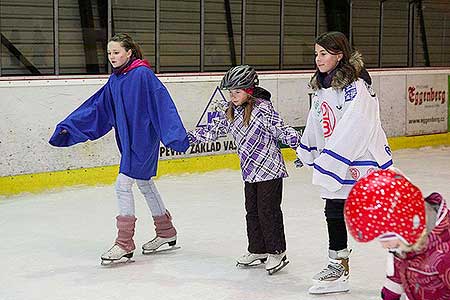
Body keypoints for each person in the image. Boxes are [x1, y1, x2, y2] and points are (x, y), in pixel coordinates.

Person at [49, 33, 189, 265]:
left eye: (116, 52)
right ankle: (166, 232)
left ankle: (124, 243)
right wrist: (71, 127)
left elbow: (162, 102)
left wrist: (175, 136)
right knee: (144, 183)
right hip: (127, 139)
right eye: (109, 53)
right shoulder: (116, 79)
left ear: (129, 53)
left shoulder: (142, 74)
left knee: (123, 185)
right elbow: (97, 107)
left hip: (143, 139)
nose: (112, 57)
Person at [295, 31, 393, 294]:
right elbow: (317, 120)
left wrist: (331, 160)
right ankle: (338, 265)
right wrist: (309, 151)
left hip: (363, 159)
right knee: (334, 210)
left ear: (339, 56)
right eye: (316, 54)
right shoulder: (323, 87)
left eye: (324, 54)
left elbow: (357, 125)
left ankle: (414, 263)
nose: (318, 59)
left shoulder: (357, 86)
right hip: (339, 160)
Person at [188, 65, 301, 275]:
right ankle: (258, 249)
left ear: (249, 90)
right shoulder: (230, 111)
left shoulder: (263, 109)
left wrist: (302, 148)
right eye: (230, 92)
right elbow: (212, 132)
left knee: (269, 212)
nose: (233, 96)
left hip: (270, 170)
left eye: (237, 91)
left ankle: (277, 251)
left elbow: (282, 130)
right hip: (250, 172)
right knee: (252, 211)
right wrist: (185, 139)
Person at [345, 169, 450, 300]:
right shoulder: (405, 244)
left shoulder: (445, 255)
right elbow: (397, 271)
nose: (384, 245)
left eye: (385, 237)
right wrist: (390, 294)